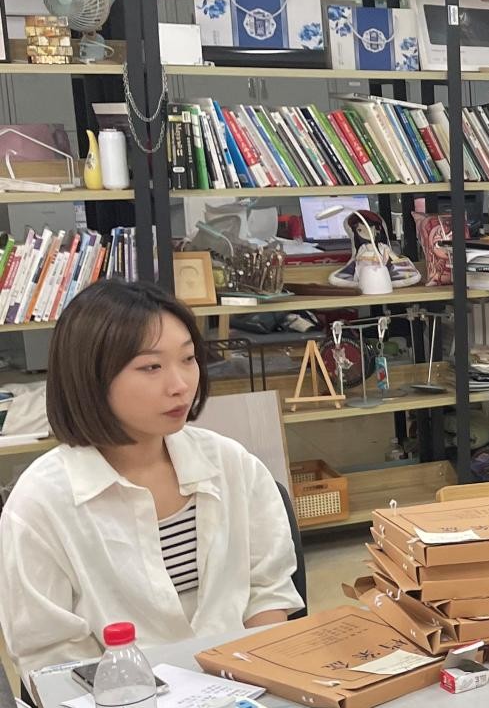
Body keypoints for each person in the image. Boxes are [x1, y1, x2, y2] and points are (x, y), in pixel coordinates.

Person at [0, 281, 299, 672]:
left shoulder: (232, 464)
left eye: (188, 359)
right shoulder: (40, 504)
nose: (180, 385)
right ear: (90, 376)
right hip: (118, 702)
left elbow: (268, 591)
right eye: (151, 367)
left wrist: (261, 678)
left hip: (245, 687)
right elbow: (49, 656)